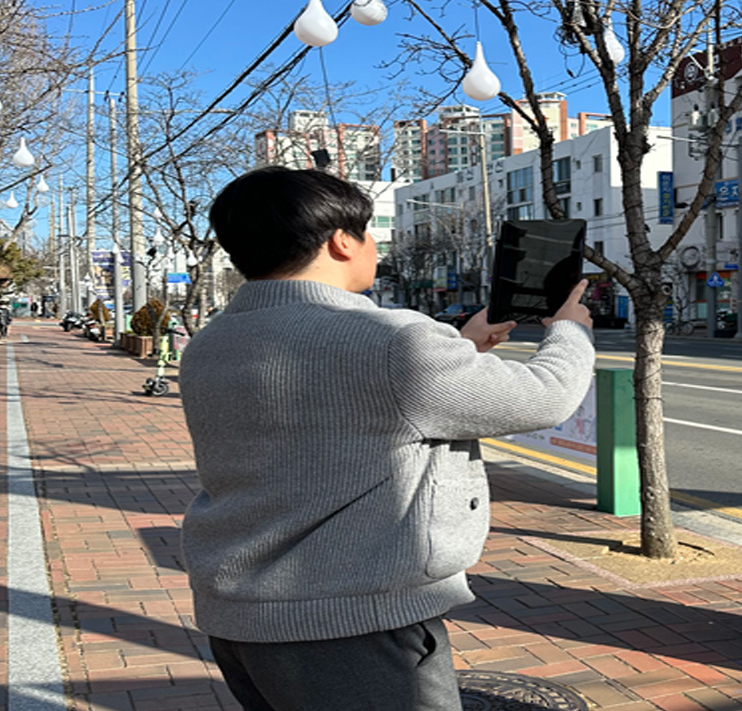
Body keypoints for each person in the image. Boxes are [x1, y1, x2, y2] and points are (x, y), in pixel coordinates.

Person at [178, 167, 595, 711]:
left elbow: (345, 409)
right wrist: (571, 329)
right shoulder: (392, 343)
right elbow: (546, 396)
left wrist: (461, 344)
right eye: (371, 232)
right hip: (352, 622)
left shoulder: (209, 344)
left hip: (238, 617)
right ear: (343, 241)